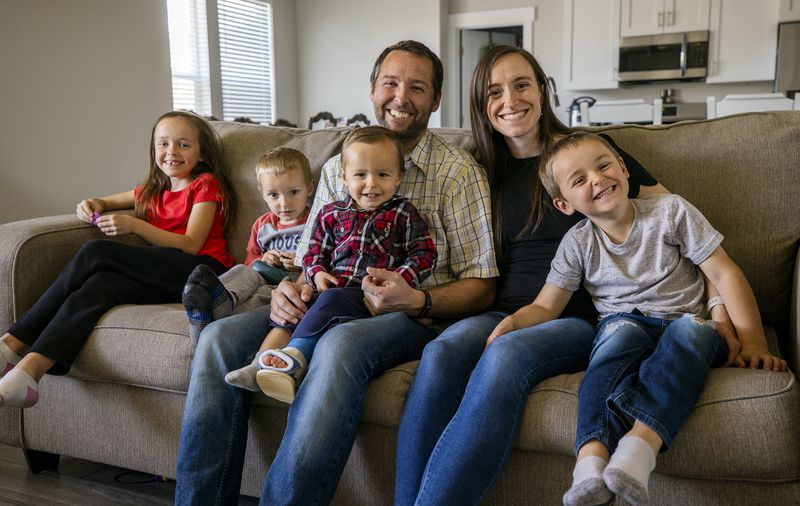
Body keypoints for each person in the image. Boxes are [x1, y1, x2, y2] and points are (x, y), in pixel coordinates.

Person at [394, 45, 738, 505]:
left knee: (504, 359)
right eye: (494, 92)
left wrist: (718, 309)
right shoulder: (478, 168)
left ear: (542, 89)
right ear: (481, 105)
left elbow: (683, 235)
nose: (510, 100)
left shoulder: (589, 158)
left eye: (521, 85)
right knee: (440, 354)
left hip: (574, 317)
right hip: (501, 308)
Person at [174, 40, 497, 505]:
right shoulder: (334, 169)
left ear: (436, 100)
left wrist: (416, 299)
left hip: (411, 316)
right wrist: (295, 286)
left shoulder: (458, 173)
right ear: (372, 90)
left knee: (340, 344)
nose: (400, 97)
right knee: (218, 340)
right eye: (390, 83)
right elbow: (312, 257)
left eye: (417, 87)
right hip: (328, 299)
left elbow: (483, 285)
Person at [499, 131, 787, 505]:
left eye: (604, 166)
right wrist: (513, 324)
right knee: (611, 347)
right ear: (564, 204)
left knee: (691, 334)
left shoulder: (670, 210)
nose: (598, 179)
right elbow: (546, 306)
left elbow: (724, 273)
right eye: (580, 180)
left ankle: (640, 448)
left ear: (623, 168)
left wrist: (753, 341)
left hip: (687, 320)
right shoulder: (577, 243)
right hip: (624, 323)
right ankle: (590, 463)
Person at [0, 110, 234, 409]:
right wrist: (91, 204)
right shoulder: (153, 189)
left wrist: (136, 225)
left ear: (201, 154)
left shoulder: (205, 184)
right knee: (100, 285)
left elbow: (190, 245)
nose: (171, 152)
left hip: (205, 273)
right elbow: (106, 201)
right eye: (163, 144)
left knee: (96, 252)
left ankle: (11, 343)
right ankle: (28, 372)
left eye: (183, 145)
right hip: (167, 275)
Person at [228, 126, 437, 403]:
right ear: (344, 177)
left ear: (398, 177)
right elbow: (313, 253)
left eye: (382, 175)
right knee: (295, 309)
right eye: (360, 175)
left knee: (331, 301)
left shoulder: (404, 214)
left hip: (369, 298)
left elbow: (423, 254)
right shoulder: (331, 214)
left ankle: (295, 357)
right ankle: (259, 365)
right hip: (330, 287)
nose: (371, 184)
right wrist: (315, 274)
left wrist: (397, 279)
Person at [182, 147, 314, 344]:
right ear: (262, 194)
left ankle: (211, 318)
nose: (284, 203)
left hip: (292, 284)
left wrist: (302, 261)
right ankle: (212, 298)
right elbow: (250, 260)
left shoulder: (316, 222)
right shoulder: (262, 225)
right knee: (242, 270)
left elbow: (323, 258)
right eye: (274, 195)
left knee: (257, 299)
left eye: (293, 192)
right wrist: (263, 259)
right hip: (264, 277)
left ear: (309, 188)